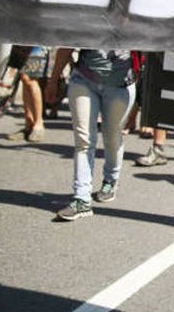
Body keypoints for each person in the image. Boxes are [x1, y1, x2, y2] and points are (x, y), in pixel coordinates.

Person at [46, 49, 136, 220]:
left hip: (121, 85)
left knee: (112, 136)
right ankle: (82, 199)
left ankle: (110, 180)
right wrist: (53, 80)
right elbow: (67, 45)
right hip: (84, 80)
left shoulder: (137, 21)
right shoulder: (84, 20)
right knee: (84, 141)